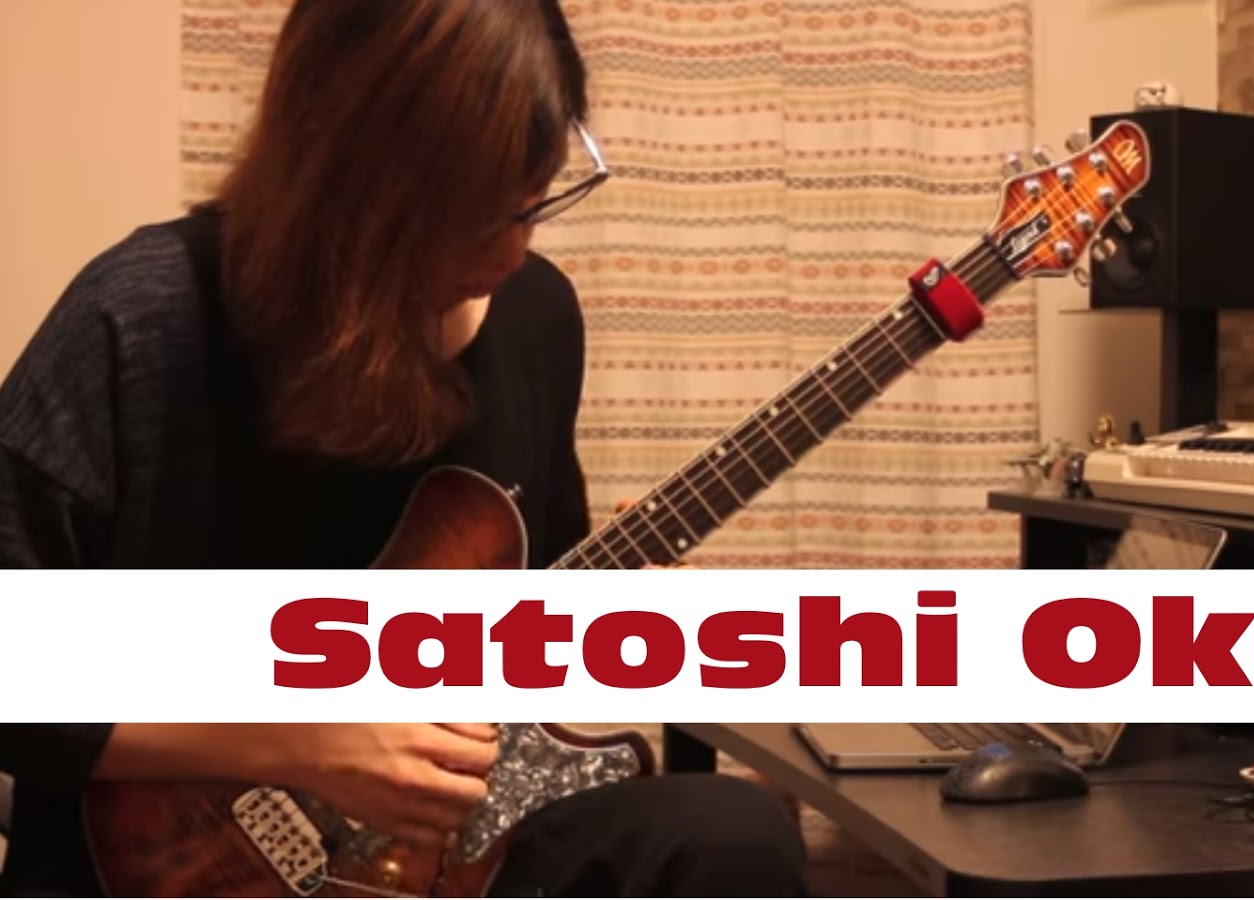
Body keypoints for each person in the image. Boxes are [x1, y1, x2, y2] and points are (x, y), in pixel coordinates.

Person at [0, 0, 806, 895]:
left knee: (733, 834)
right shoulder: (141, 318)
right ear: (347, 184)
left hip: (434, 863)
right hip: (170, 869)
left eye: (530, 203)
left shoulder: (538, 319)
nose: (512, 251)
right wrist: (298, 745)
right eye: (473, 216)